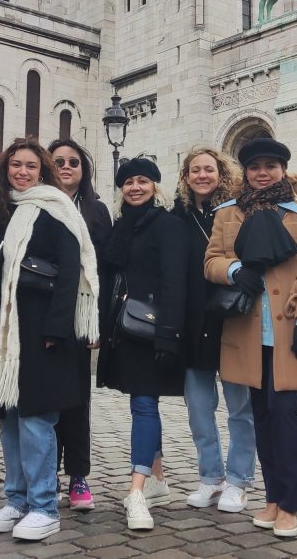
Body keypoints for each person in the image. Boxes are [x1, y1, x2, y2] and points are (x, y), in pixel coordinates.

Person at [205, 139, 297, 540]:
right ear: (246, 172)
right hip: (247, 330)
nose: (263, 172)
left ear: (282, 169)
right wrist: (236, 269)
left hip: (290, 327)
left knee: (284, 415)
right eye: (255, 166)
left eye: (271, 165)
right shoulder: (227, 213)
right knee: (260, 416)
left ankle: (291, 504)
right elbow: (212, 261)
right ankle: (273, 497)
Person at [0, 138, 99, 542]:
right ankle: (16, 498)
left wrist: (56, 328)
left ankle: (44, 506)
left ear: (43, 171)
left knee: (37, 419)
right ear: (5, 169)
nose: (23, 172)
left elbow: (71, 272)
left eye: (31, 166)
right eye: (16, 165)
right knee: (11, 418)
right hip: (8, 334)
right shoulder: (1, 211)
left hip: (46, 332)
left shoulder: (56, 209)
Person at [98, 157, 188, 532]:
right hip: (125, 331)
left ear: (155, 185)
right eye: (128, 182)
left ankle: (136, 491)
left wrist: (169, 333)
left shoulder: (167, 225)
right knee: (141, 403)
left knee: (145, 404)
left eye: (142, 181)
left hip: (152, 331)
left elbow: (174, 281)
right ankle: (158, 481)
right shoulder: (121, 227)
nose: (135, 187)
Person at [172, 146, 255, 513]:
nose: (202, 176)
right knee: (199, 409)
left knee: (241, 409)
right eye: (195, 170)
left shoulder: (240, 212)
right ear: (186, 177)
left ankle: (238, 480)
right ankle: (210, 477)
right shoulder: (178, 216)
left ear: (221, 173)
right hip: (193, 323)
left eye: (209, 169)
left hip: (233, 320)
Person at [48, 138, 112, 512]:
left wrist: (96, 323)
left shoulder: (96, 210)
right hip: (42, 314)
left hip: (80, 315)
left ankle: (78, 476)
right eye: (59, 161)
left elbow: (104, 268)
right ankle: (45, 474)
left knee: (76, 399)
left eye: (74, 161)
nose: (67, 167)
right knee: (44, 400)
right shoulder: (33, 203)